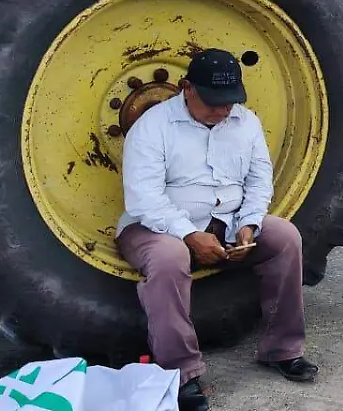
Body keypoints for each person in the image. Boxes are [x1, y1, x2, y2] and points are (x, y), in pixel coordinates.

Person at [116, 48, 318, 411]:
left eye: (230, 102)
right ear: (186, 87)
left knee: (285, 237)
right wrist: (188, 234)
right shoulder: (153, 126)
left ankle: (282, 349)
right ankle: (180, 373)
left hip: (226, 223)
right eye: (214, 103)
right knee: (169, 256)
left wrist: (249, 224)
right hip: (154, 226)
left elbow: (259, 182)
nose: (224, 111)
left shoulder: (246, 122)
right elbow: (143, 199)